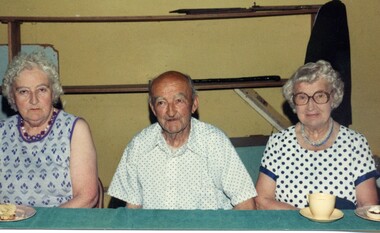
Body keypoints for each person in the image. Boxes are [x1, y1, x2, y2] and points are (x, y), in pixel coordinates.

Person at [108, 70, 256, 210]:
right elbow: (132, 210)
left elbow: (246, 205)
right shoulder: (139, 145)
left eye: (179, 101)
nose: (171, 112)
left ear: (194, 104)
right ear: (153, 109)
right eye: (161, 102)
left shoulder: (214, 142)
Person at [255, 60, 379, 210]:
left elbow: (368, 205)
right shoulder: (278, 143)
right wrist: (302, 219)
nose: (311, 106)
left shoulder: (356, 144)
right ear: (294, 103)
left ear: (333, 97)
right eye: (302, 97)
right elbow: (262, 199)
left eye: (319, 96)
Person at [0, 51, 98, 207]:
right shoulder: (2, 131)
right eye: (23, 91)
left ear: (53, 92)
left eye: (41, 90)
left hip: (59, 224)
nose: (33, 100)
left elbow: (87, 197)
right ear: (12, 96)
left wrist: (42, 225)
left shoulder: (74, 129)